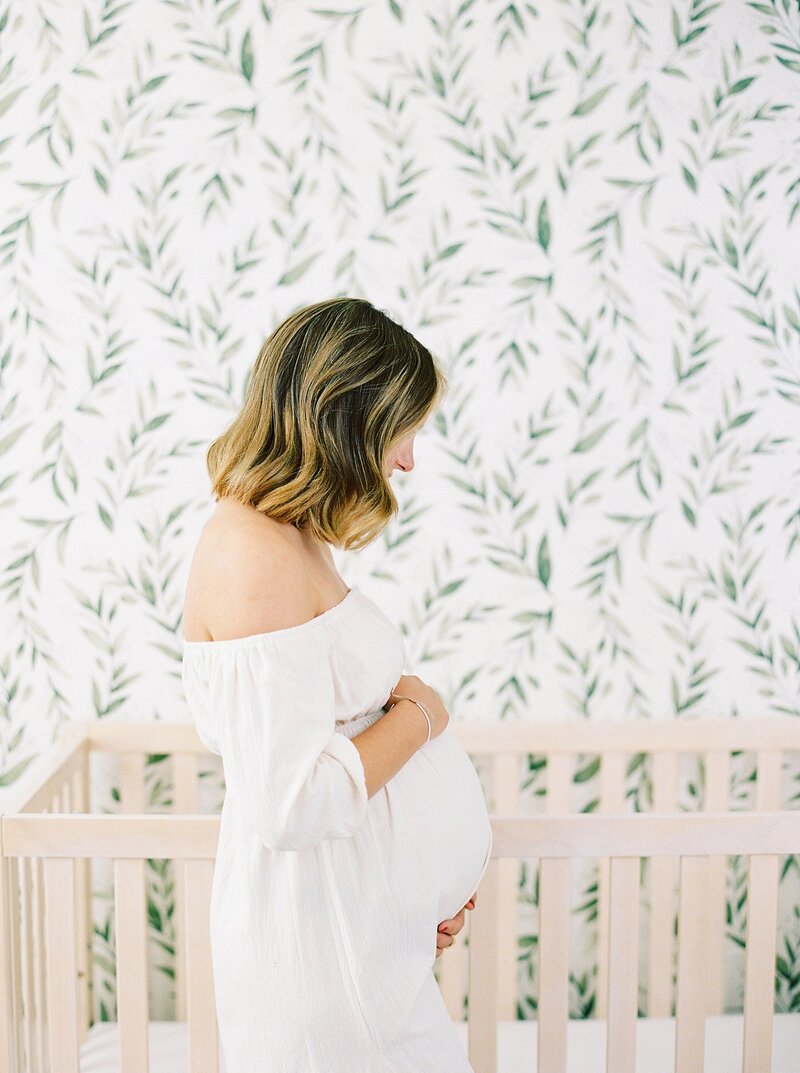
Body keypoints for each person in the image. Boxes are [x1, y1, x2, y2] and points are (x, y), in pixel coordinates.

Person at [181, 296, 493, 1072]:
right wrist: (420, 714)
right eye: (402, 427)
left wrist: (417, 886)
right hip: (318, 959)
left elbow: (333, 754)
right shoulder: (250, 552)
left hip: (361, 939)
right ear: (347, 416)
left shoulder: (291, 542)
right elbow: (294, 803)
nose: (409, 459)